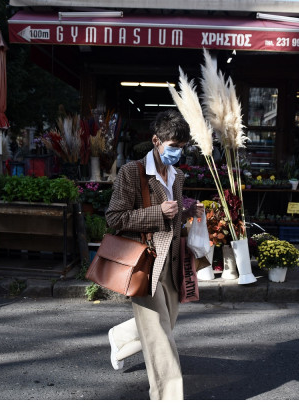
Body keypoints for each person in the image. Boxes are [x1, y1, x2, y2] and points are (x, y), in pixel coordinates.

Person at [105, 110, 204, 400]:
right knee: (161, 340)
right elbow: (114, 218)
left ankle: (121, 336)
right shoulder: (132, 172)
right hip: (144, 264)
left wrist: (187, 212)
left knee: (166, 324)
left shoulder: (178, 175)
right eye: (172, 147)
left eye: (181, 148)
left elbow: (172, 218)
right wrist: (156, 212)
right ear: (156, 141)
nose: (177, 153)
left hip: (172, 263)